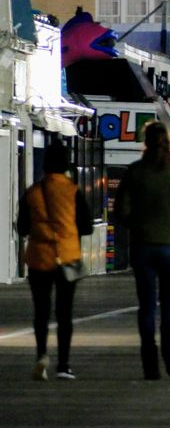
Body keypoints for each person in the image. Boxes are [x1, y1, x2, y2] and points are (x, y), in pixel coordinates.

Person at [115, 121, 170, 380]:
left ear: (145, 142)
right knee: (169, 302)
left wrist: (137, 226)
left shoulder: (134, 172)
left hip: (142, 246)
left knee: (147, 304)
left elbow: (122, 210)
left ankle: (149, 360)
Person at [17, 139, 93, 381]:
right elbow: (87, 226)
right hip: (68, 258)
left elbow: (22, 227)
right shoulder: (73, 191)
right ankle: (64, 364)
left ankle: (41, 356)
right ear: (66, 164)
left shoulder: (32, 192)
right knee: (64, 313)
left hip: (39, 258)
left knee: (41, 311)